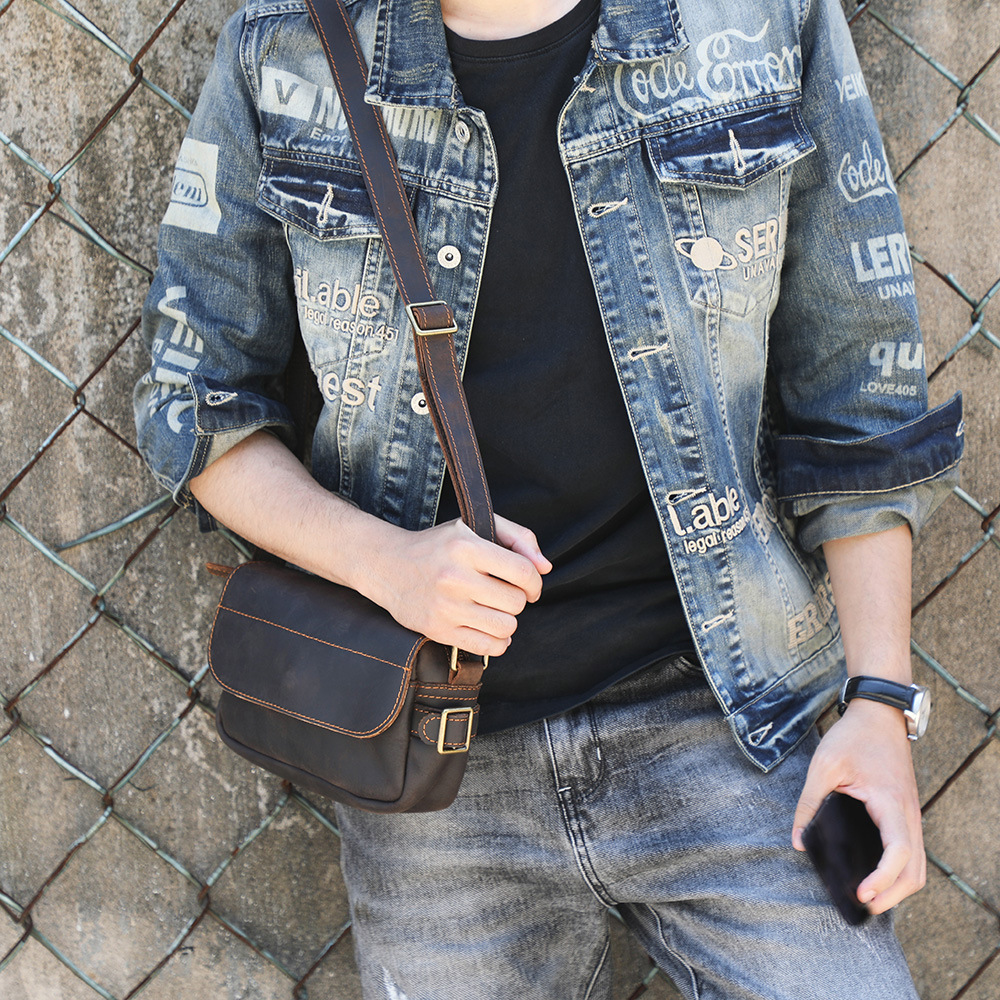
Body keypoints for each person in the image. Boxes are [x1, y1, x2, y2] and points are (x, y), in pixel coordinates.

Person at [135, 0, 963, 996]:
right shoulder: (283, 47)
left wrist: (879, 702)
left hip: (724, 718)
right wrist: (387, 563)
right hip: (431, 753)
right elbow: (196, 405)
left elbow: (859, 385)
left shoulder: (758, 19)